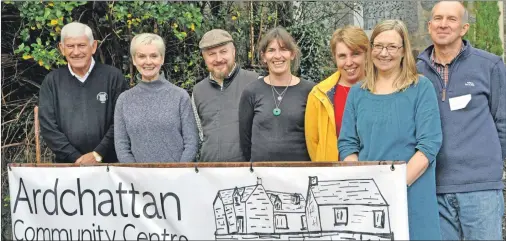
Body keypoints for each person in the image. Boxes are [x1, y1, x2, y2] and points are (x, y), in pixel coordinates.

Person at [338, 20, 442, 240]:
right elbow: (347, 144)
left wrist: (393, 186)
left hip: (412, 194)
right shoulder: (357, 93)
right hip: (369, 197)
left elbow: (428, 145)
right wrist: (364, 186)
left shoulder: (421, 88)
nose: (384, 53)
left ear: (403, 51)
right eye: (378, 46)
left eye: (392, 47)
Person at [416, 1, 506, 240]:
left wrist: (493, 166)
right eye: (438, 18)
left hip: (481, 189)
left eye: (451, 19)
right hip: (433, 188)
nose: (443, 24)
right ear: (429, 25)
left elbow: (503, 121)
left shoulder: (490, 65)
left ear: (464, 28)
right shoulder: (416, 71)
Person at [39, 22, 128, 163]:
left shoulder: (113, 77)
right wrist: (75, 158)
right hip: (67, 167)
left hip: (110, 167)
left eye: (81, 45)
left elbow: (121, 121)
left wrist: (98, 153)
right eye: (70, 46)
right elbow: (48, 127)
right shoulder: (52, 81)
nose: (76, 52)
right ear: (62, 49)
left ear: (93, 46)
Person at [114, 33, 198, 163]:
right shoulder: (124, 100)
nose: (148, 62)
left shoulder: (180, 96)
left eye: (154, 56)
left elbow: (191, 142)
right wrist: (136, 174)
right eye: (141, 56)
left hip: (176, 179)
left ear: (162, 58)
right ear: (134, 60)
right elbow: (122, 146)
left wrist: (177, 172)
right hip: (138, 180)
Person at [239, 27, 315, 162]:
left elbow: (316, 136)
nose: (278, 56)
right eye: (271, 50)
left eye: (283, 49)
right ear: (263, 56)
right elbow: (245, 140)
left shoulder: (310, 91)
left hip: (299, 174)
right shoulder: (251, 91)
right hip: (262, 175)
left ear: (292, 54)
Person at [192, 29, 259, 162]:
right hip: (210, 174)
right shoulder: (198, 91)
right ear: (204, 57)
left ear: (233, 52)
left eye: (223, 52)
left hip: (247, 173)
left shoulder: (255, 82)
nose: (218, 59)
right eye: (211, 54)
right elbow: (200, 135)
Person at [305, 26, 369, 162]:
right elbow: (313, 143)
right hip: (333, 175)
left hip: (375, 172)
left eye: (355, 54)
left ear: (366, 54)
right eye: (342, 56)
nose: (349, 62)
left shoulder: (382, 89)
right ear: (334, 57)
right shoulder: (319, 95)